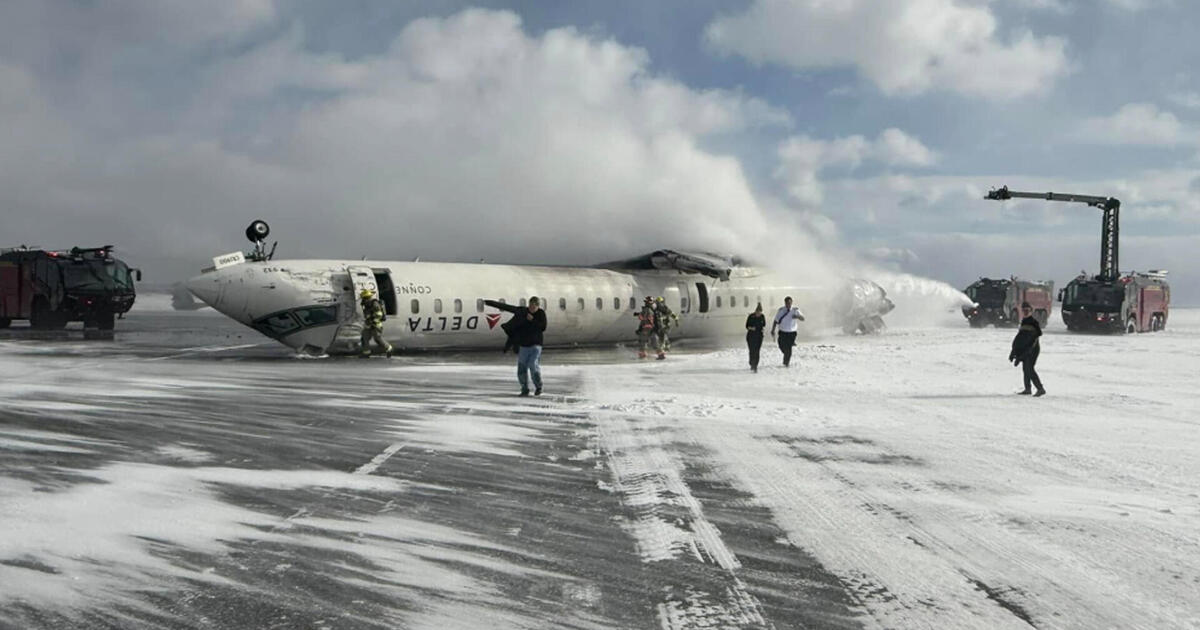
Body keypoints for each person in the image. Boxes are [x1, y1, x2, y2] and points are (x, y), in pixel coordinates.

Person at [485, 297, 547, 396]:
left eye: (534, 306)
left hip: (536, 345)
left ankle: (538, 386)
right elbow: (508, 307)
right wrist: (490, 302)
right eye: (530, 305)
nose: (532, 307)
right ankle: (524, 388)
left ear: (537, 306)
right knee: (521, 369)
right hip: (524, 346)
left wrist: (533, 320)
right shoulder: (522, 312)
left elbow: (543, 327)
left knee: (533, 366)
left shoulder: (540, 313)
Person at [1009, 301, 1045, 397]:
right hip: (1025, 349)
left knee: (1029, 368)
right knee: (1025, 369)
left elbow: (1036, 337)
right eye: (1024, 310)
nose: (1025, 312)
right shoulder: (1024, 322)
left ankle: (1040, 389)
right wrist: (1014, 352)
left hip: (1032, 350)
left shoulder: (1033, 322)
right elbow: (1019, 339)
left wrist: (1028, 351)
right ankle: (1027, 388)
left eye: (1027, 310)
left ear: (1031, 311)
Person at [770, 296, 805, 367]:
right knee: (781, 346)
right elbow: (776, 320)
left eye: (789, 303)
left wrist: (797, 316)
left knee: (788, 348)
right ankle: (786, 356)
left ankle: (786, 363)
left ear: (791, 302)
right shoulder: (781, 310)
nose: (788, 304)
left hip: (792, 332)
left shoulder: (795, 310)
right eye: (787, 303)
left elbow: (803, 318)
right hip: (782, 332)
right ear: (785, 303)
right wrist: (773, 330)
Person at [359, 289, 393, 358]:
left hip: (376, 325)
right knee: (364, 337)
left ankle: (389, 348)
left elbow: (379, 314)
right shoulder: (366, 305)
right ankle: (366, 352)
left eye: (365, 298)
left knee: (377, 339)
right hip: (369, 325)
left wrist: (372, 320)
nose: (364, 300)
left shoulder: (374, 304)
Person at [634, 296, 664, 360]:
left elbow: (641, 318)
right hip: (653, 328)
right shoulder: (654, 310)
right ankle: (660, 354)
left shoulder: (646, 309)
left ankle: (642, 355)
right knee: (655, 342)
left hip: (646, 328)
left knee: (643, 342)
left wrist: (639, 315)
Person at [745, 303, 766, 372]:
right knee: (752, 351)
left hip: (759, 336)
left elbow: (764, 325)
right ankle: (751, 363)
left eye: (760, 312)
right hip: (751, 336)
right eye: (757, 312)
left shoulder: (762, 316)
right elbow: (747, 326)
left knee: (757, 351)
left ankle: (755, 365)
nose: (758, 313)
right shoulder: (751, 316)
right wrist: (751, 328)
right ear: (755, 311)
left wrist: (763, 329)